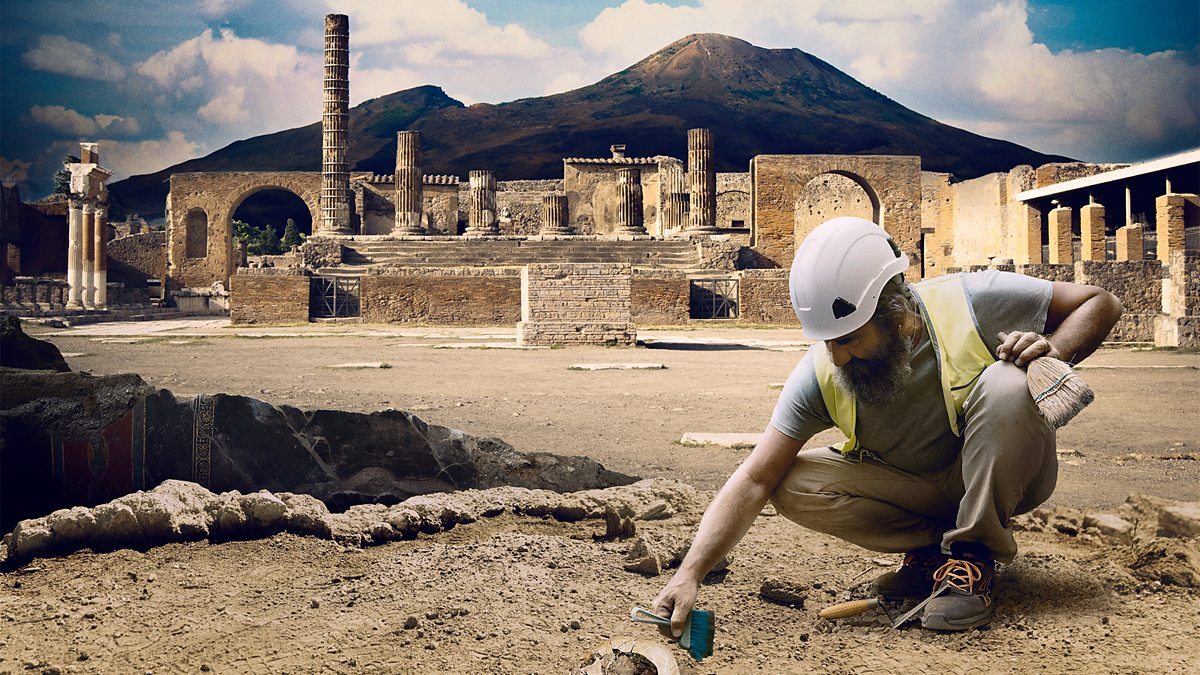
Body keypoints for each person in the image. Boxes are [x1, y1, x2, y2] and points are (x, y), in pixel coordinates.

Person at [653, 216, 1122, 631]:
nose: (836, 356)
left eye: (850, 338)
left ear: (894, 312)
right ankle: (935, 555)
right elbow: (755, 476)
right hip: (921, 488)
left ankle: (975, 557)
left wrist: (1050, 353)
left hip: (1012, 473)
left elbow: (1101, 303)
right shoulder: (822, 370)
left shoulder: (972, 300)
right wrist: (689, 573)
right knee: (791, 483)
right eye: (827, 342)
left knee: (1006, 380)